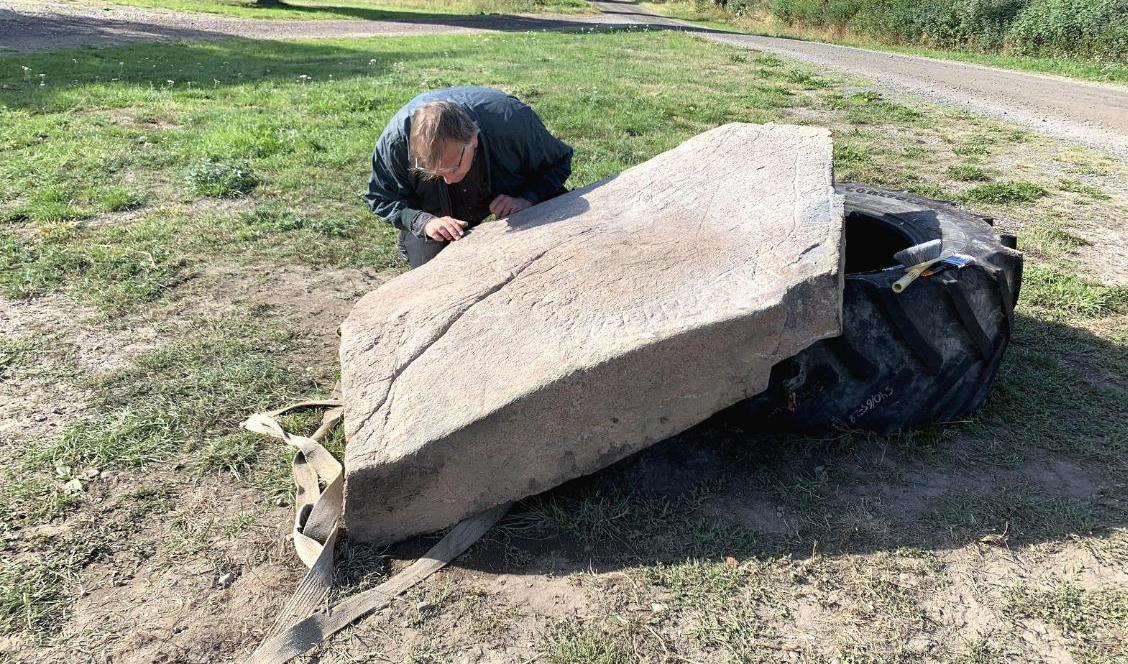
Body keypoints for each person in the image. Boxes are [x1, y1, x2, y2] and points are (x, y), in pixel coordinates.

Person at [365, 86, 574, 268]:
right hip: (435, 215)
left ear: (473, 139)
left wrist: (528, 198)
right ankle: (410, 241)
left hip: (510, 190)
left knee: (558, 245)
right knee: (434, 276)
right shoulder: (396, 144)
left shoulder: (512, 122)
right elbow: (380, 197)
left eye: (454, 168)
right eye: (434, 173)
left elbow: (559, 162)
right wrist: (421, 221)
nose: (447, 180)